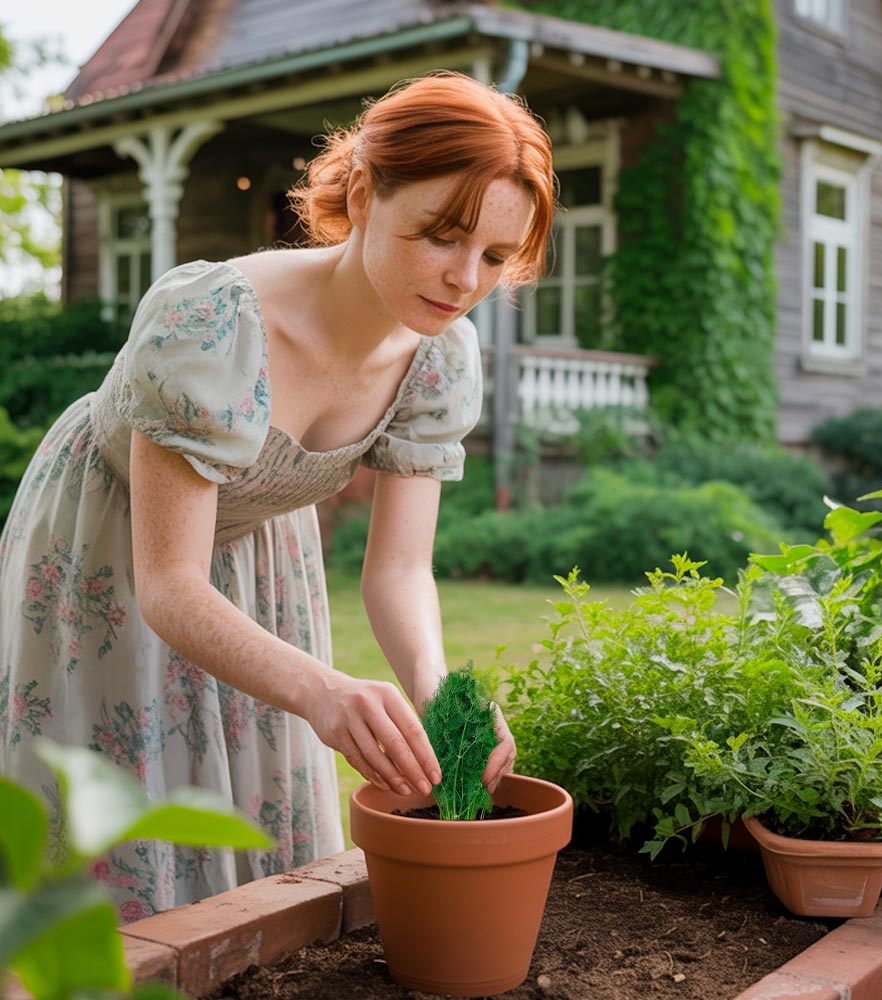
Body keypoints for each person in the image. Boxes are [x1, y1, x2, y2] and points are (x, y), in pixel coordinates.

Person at [0, 71, 555, 921]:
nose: (462, 279)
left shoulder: (439, 359)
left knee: (255, 859)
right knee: (114, 857)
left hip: (264, 562)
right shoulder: (211, 322)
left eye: (492, 257)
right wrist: (323, 691)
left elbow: (399, 571)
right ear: (366, 193)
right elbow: (171, 587)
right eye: (440, 236)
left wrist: (437, 687)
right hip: (111, 551)